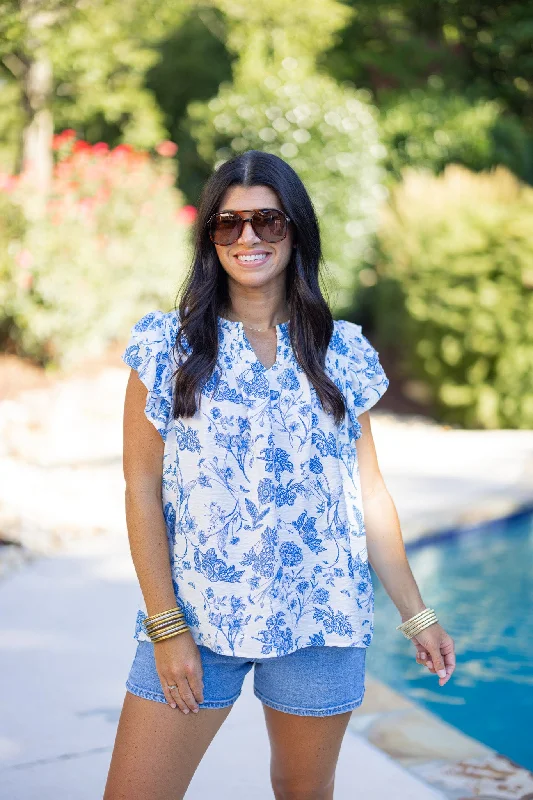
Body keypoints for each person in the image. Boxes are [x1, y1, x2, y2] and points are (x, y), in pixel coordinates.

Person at [104, 149, 456, 800]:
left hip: (320, 621)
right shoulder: (165, 348)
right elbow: (142, 492)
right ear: (209, 238)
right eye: (227, 223)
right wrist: (166, 625)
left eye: (267, 221)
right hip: (196, 620)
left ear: (294, 230)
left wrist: (417, 614)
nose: (247, 238)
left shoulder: (339, 350)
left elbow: (368, 495)